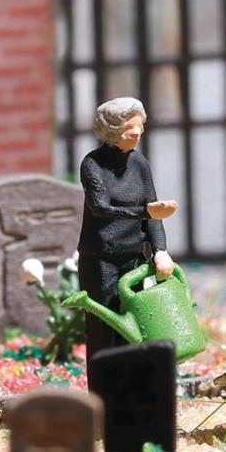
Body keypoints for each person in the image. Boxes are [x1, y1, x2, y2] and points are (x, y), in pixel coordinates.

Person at [76, 97, 177, 361]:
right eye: (130, 128)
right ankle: (102, 384)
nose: (137, 132)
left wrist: (160, 249)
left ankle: (133, 382)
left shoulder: (139, 163)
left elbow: (153, 209)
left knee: (135, 322)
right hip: (101, 259)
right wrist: (144, 212)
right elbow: (100, 208)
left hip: (134, 257)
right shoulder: (92, 164)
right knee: (103, 323)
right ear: (112, 131)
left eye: (140, 126)